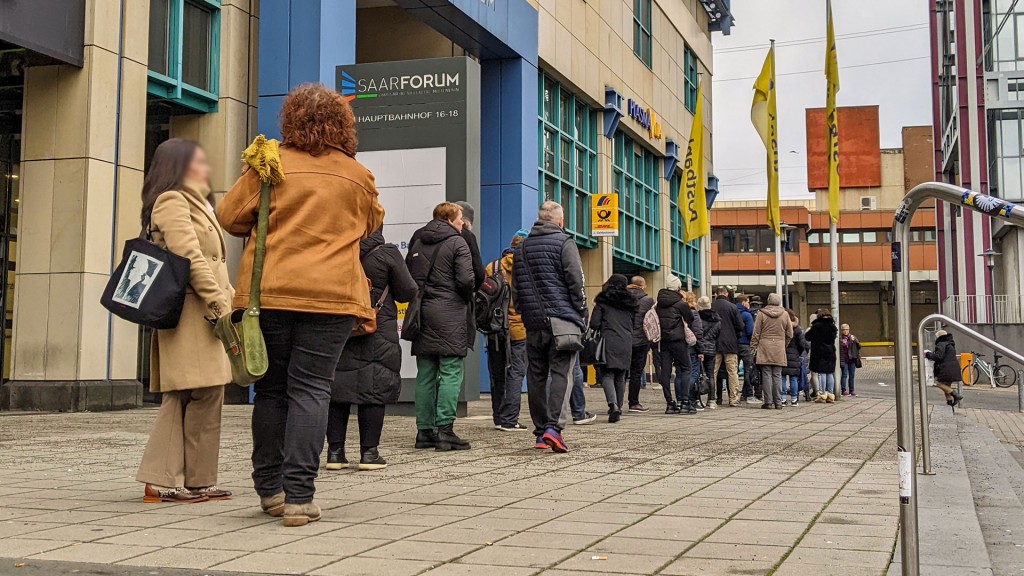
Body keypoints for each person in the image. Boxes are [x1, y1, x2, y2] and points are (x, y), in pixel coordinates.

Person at [219, 83, 384, 526]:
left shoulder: (269, 165)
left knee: (271, 390)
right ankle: (299, 497)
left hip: (269, 294)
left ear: (291, 120)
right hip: (332, 298)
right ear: (343, 126)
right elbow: (370, 224)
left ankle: (269, 489)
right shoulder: (357, 174)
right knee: (312, 388)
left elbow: (230, 217)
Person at [135, 139, 234, 504]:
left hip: (205, 311)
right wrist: (218, 299)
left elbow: (216, 261)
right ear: (178, 165)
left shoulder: (200, 203)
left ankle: (197, 479)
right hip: (189, 311)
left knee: (208, 391)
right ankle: (160, 480)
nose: (205, 167)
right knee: (185, 393)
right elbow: (189, 255)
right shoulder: (172, 200)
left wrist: (230, 297)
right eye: (197, 161)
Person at [327, 228, 418, 471]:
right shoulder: (386, 253)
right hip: (376, 327)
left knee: (336, 390)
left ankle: (335, 453)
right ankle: (369, 454)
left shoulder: (336, 251)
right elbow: (408, 290)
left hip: (340, 327)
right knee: (374, 388)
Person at [512, 201, 588, 453]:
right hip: (562, 321)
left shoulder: (521, 249)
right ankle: (553, 428)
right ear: (559, 221)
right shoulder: (564, 243)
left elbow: (517, 290)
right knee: (561, 373)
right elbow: (575, 281)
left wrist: (525, 314)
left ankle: (539, 432)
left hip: (533, 323)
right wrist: (581, 312)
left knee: (535, 376)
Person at [407, 202, 475, 452]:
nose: (462, 225)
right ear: (449, 220)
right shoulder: (458, 243)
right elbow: (467, 280)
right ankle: (445, 431)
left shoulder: (418, 241)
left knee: (425, 373)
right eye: (459, 220)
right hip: (450, 313)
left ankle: (424, 432)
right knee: (450, 370)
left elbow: (408, 275)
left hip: (422, 314)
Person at [485, 231, 529, 432]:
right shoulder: (528, 267)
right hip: (519, 329)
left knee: (497, 372)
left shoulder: (492, 267)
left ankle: (498, 417)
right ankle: (510, 419)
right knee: (515, 372)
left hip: (494, 328)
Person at [590, 274, 638, 422]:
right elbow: (634, 324)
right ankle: (619, 406)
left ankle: (613, 405)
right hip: (626, 341)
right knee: (621, 375)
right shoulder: (631, 303)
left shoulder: (603, 301)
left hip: (608, 341)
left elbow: (594, 324)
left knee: (607, 374)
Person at [655, 276, 695, 414]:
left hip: (664, 341)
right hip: (678, 340)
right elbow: (690, 318)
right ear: (678, 288)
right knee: (685, 368)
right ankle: (684, 402)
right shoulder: (681, 304)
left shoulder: (658, 303)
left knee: (665, 372)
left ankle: (670, 403)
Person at [749, 293, 792, 410]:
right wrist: (784, 343)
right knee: (777, 375)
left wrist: (753, 347)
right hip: (779, 347)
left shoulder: (761, 314)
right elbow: (790, 333)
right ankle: (778, 402)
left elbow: (756, 332)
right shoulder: (785, 314)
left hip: (765, 346)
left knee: (766, 374)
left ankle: (768, 402)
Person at [712, 286, 745, 407]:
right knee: (732, 372)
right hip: (731, 343)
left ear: (716, 294)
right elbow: (740, 325)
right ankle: (733, 398)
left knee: (713, 371)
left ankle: (713, 398)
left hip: (714, 343)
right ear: (726, 294)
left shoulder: (712, 306)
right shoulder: (732, 307)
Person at [626, 276, 654, 413]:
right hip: (641, 341)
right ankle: (633, 402)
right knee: (636, 372)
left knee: (620, 373)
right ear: (642, 286)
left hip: (624, 339)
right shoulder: (648, 300)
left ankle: (615, 403)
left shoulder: (622, 298)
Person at [806, 309, 839, 404]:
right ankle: (830, 394)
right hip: (830, 352)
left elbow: (807, 336)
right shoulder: (833, 327)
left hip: (819, 352)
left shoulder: (817, 326)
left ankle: (822, 394)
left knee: (822, 373)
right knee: (829, 373)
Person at [925, 330, 964, 408]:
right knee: (947, 386)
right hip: (953, 368)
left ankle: (955, 394)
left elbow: (938, 356)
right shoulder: (950, 344)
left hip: (946, 369)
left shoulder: (941, 344)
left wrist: (928, 354)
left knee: (937, 383)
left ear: (939, 337)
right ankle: (950, 403)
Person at [696, 296, 720, 409]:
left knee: (697, 374)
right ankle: (711, 400)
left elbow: (696, 332)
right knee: (710, 375)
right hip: (711, 349)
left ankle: (696, 398)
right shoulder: (717, 319)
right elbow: (717, 335)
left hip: (699, 348)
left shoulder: (697, 318)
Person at [783, 309, 808, 406]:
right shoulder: (797, 329)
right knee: (793, 378)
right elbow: (802, 344)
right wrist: (798, 352)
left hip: (783, 354)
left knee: (782, 377)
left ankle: (783, 399)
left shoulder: (782, 327)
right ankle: (794, 399)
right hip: (794, 355)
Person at [684, 292, 705, 410]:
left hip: (681, 348)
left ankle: (682, 399)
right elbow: (698, 333)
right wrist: (700, 351)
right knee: (693, 373)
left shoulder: (679, 313)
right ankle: (690, 399)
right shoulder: (693, 314)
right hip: (692, 348)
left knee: (681, 374)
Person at [736, 294, 757, 404]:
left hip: (734, 345)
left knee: (733, 371)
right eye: (748, 302)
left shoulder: (733, 312)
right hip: (745, 344)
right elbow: (750, 331)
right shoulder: (747, 315)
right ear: (744, 302)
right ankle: (748, 393)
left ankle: (734, 394)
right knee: (748, 369)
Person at [839, 323, 861, 397]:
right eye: (844, 330)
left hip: (852, 359)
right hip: (844, 359)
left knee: (852, 375)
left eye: (847, 329)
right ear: (841, 330)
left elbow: (859, 346)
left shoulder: (852, 337)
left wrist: (855, 340)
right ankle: (843, 390)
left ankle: (852, 390)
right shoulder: (840, 338)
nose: (845, 331)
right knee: (844, 375)